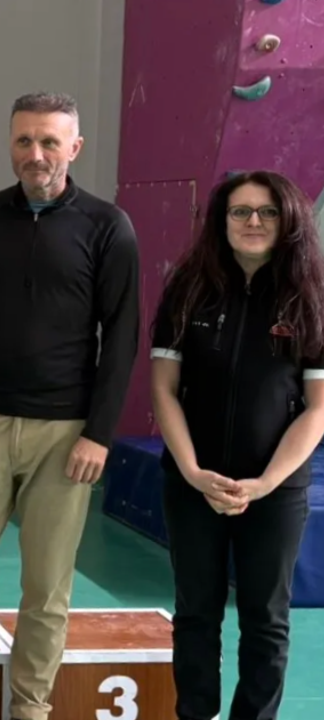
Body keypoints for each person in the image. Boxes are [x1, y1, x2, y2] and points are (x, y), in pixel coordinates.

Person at [0, 92, 140, 720]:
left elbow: (122, 335)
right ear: (10, 144)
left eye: (48, 142)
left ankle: (32, 708)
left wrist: (99, 433)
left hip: (66, 437)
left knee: (47, 590)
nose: (35, 154)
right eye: (23, 141)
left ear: (75, 147)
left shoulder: (108, 227)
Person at [150, 170, 324, 720]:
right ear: (221, 221)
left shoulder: (310, 298)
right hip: (192, 482)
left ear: (288, 220)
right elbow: (164, 390)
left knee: (266, 619)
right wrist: (192, 471)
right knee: (195, 614)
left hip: (274, 489)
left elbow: (318, 408)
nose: (253, 221)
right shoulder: (188, 290)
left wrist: (266, 482)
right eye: (240, 211)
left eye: (267, 211)